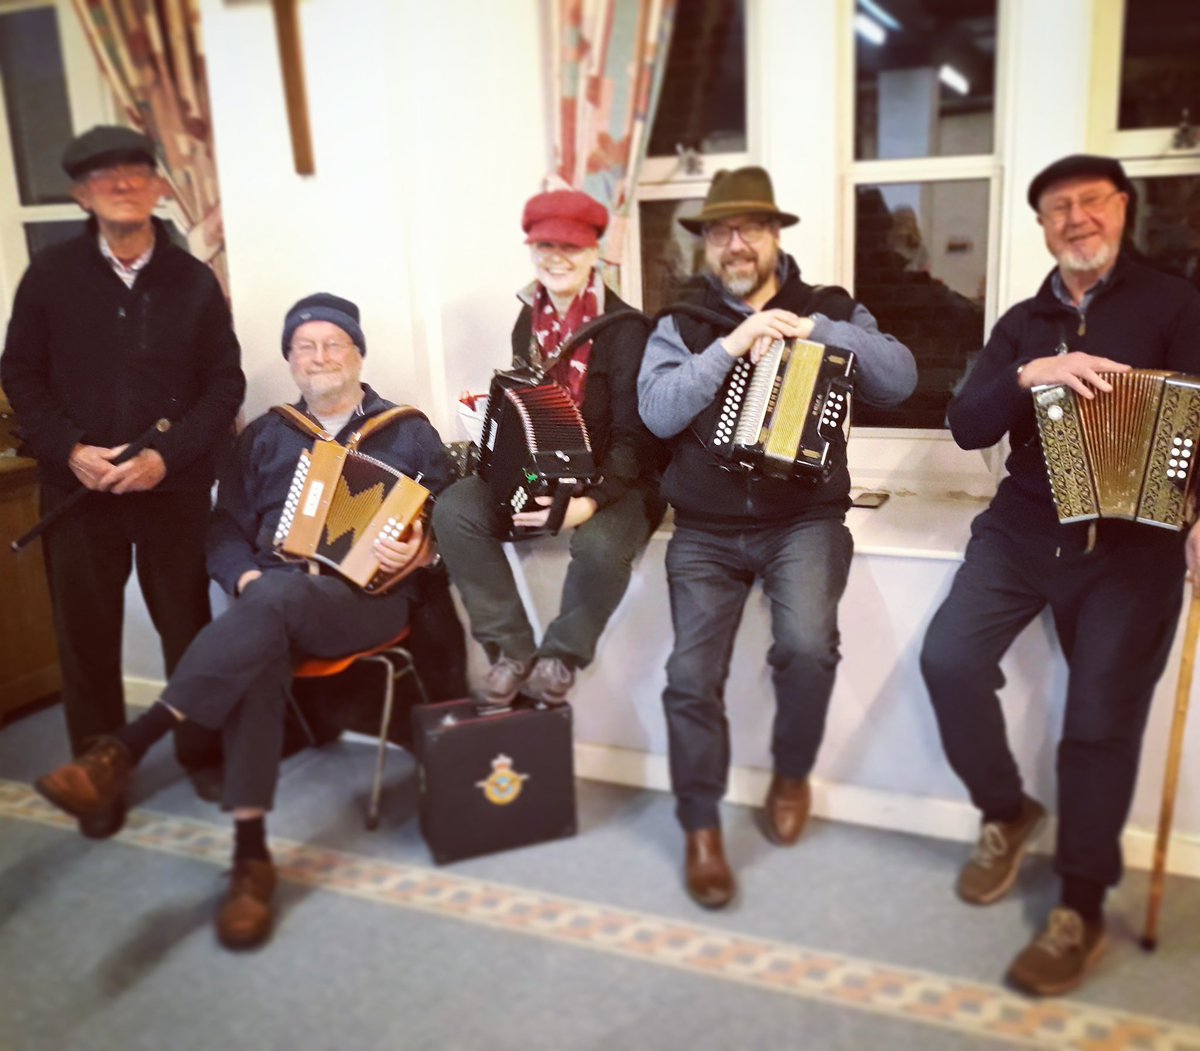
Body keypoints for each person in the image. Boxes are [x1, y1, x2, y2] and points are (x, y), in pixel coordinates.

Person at [32, 293, 451, 949]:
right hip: (276, 596)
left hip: (367, 604)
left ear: (357, 352)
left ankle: (129, 745)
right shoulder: (266, 434)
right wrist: (246, 575)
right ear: (289, 360)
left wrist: (422, 546)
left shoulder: (410, 431)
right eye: (305, 346)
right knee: (265, 620)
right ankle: (251, 857)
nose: (320, 356)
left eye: (333, 343)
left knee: (270, 608)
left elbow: (451, 518)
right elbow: (223, 529)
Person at [919, 154, 1200, 996]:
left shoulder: (1177, 302)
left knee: (1097, 725)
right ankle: (1007, 811)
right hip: (1024, 527)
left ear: (1123, 209)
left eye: (1090, 202)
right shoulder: (1020, 320)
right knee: (949, 662)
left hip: (1134, 542)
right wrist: (1026, 373)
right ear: (1040, 226)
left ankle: (1079, 904)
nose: (1075, 218)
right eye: (1056, 208)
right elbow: (967, 424)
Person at [637, 166, 917, 908]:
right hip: (703, 529)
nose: (736, 243)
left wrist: (817, 331)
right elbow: (658, 411)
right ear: (706, 245)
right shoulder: (682, 324)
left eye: (750, 228)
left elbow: (899, 379)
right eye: (721, 231)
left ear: (774, 235)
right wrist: (731, 346)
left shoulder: (828, 305)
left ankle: (791, 772)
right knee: (688, 678)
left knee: (805, 644)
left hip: (803, 519)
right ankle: (701, 827)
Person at [1, 125, 244, 833]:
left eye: (136, 173)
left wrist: (168, 459)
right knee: (86, 637)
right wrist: (70, 448)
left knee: (188, 628)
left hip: (169, 490)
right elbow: (19, 372)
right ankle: (98, 776)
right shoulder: (48, 275)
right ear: (82, 194)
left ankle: (201, 752)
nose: (121, 185)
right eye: (104, 177)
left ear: (160, 187)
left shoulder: (193, 279)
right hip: (77, 491)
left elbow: (223, 384)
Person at [433, 189, 665, 707]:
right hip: (548, 471)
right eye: (545, 246)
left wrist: (590, 500)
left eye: (571, 246)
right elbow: (530, 409)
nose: (557, 258)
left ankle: (562, 654)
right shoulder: (527, 320)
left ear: (594, 252)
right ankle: (512, 650)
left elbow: (635, 436)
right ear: (531, 249)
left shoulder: (629, 330)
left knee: (600, 546)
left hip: (620, 477)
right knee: (455, 510)